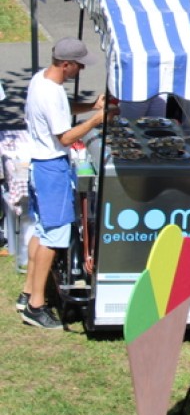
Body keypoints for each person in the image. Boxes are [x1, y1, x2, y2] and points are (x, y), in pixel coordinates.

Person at [18, 38, 110, 329]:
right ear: (66, 64)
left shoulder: (40, 81)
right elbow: (66, 137)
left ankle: (28, 292)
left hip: (39, 165)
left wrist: (90, 106)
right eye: (79, 64)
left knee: (43, 231)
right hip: (51, 169)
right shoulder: (51, 93)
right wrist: (97, 119)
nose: (81, 69)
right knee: (54, 237)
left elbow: (62, 109)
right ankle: (36, 306)